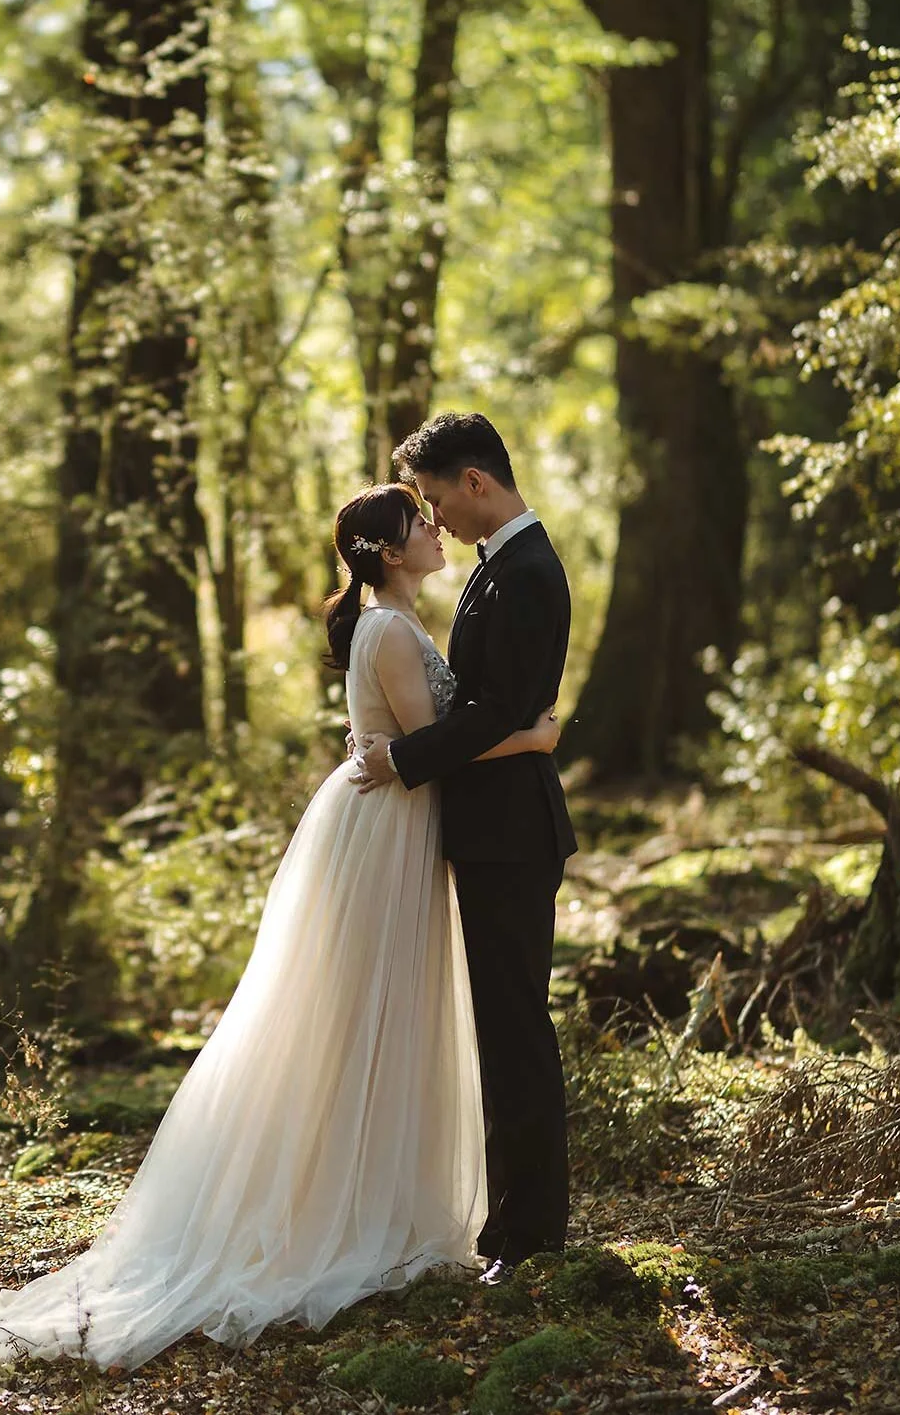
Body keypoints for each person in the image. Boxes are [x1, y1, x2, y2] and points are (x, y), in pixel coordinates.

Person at [0, 481, 561, 1370]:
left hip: (394, 826)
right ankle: (338, 1207)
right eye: (419, 521)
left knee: (376, 1015)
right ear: (389, 553)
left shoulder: (390, 623)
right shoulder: (391, 631)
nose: (436, 528)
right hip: (388, 829)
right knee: (358, 1015)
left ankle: (373, 1192)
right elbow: (433, 749)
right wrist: (533, 738)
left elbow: (420, 744)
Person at [349, 411, 578, 1271]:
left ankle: (531, 1236)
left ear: (475, 481)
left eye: (438, 496)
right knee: (501, 1026)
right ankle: (509, 1226)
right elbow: (502, 714)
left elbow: (494, 711)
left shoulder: (527, 571)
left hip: (514, 833)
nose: (434, 516)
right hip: (490, 830)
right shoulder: (498, 567)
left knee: (516, 1028)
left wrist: (401, 757)